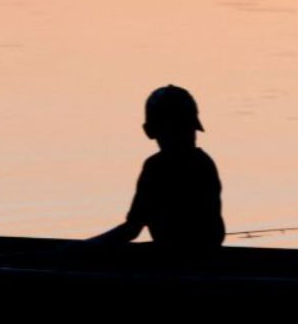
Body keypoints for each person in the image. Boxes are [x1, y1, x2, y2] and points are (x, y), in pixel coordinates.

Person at [92, 85, 224, 248]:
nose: (185, 137)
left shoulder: (155, 168)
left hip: (176, 262)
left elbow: (132, 229)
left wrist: (87, 246)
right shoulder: (204, 163)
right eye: (180, 130)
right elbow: (216, 235)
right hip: (204, 258)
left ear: (149, 131)